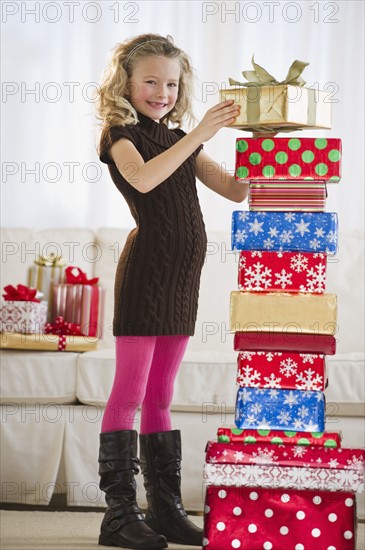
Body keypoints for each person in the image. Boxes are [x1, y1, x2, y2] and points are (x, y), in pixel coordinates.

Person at [95, 33, 248, 549]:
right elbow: (143, 181)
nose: (162, 91)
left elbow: (235, 188)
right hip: (146, 278)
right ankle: (117, 516)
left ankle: (165, 509)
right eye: (150, 82)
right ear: (128, 84)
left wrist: (269, 137)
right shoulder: (121, 136)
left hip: (183, 281)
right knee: (131, 394)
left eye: (171, 83)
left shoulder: (186, 139)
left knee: (161, 396)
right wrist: (198, 132)